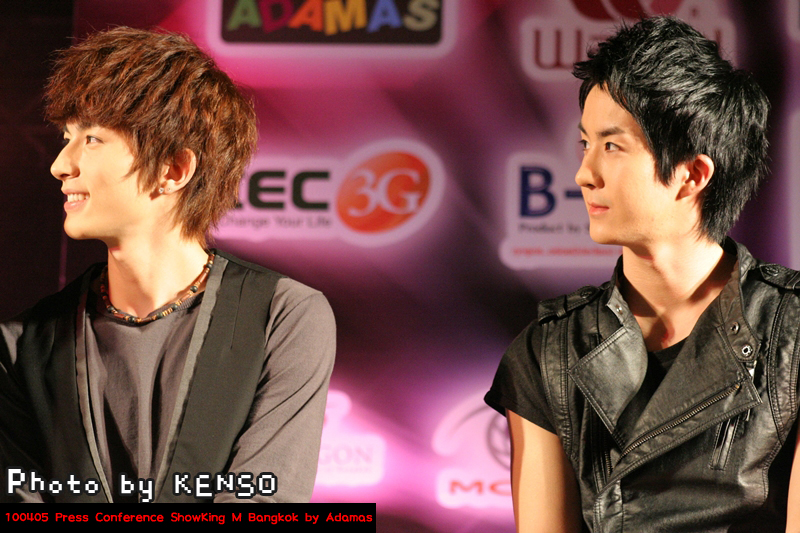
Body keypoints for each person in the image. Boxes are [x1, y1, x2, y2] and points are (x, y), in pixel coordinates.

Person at [485, 16, 800, 532]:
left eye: (612, 146)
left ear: (692, 175)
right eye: (585, 144)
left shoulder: (793, 331)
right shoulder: (549, 352)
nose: (584, 174)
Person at [0, 27, 335, 503]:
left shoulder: (282, 317)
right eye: (66, 138)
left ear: (173, 170)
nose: (60, 164)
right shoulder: (20, 346)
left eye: (91, 138)